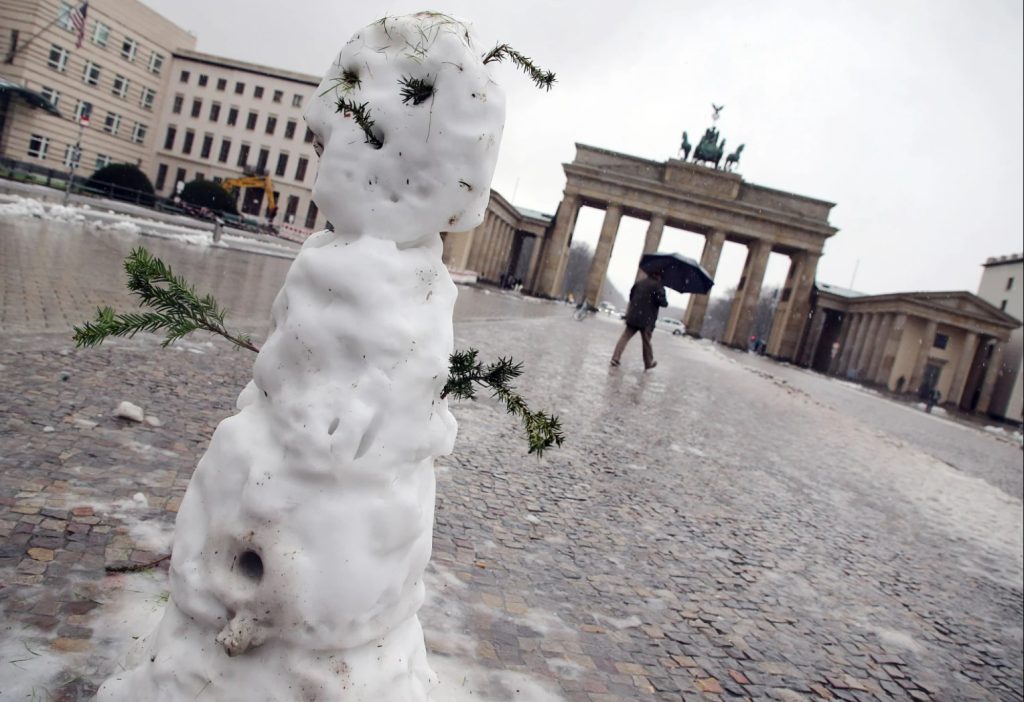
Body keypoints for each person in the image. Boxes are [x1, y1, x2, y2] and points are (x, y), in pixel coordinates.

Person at [610, 270, 668, 369]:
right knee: (646, 342)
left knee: (624, 337)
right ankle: (648, 363)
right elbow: (663, 303)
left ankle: (615, 357)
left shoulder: (639, 283)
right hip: (647, 319)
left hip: (633, 315)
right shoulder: (658, 286)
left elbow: (631, 296)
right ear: (659, 276)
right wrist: (664, 297)